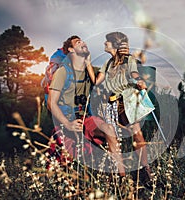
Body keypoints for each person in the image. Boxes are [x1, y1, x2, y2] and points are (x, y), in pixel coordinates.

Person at [47, 35, 127, 177]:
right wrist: (68, 124)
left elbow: (105, 80)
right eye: (78, 42)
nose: (83, 43)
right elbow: (51, 103)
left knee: (109, 129)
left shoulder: (88, 73)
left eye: (83, 41)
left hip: (85, 119)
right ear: (71, 50)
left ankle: (122, 179)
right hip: (66, 122)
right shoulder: (63, 72)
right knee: (61, 169)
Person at [86, 32, 153, 183]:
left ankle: (146, 171)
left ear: (114, 44)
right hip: (110, 104)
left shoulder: (129, 60)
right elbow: (97, 82)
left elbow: (134, 72)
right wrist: (88, 63)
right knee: (114, 139)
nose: (104, 44)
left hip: (126, 101)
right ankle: (120, 177)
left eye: (107, 42)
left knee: (137, 134)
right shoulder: (107, 64)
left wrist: (140, 80)